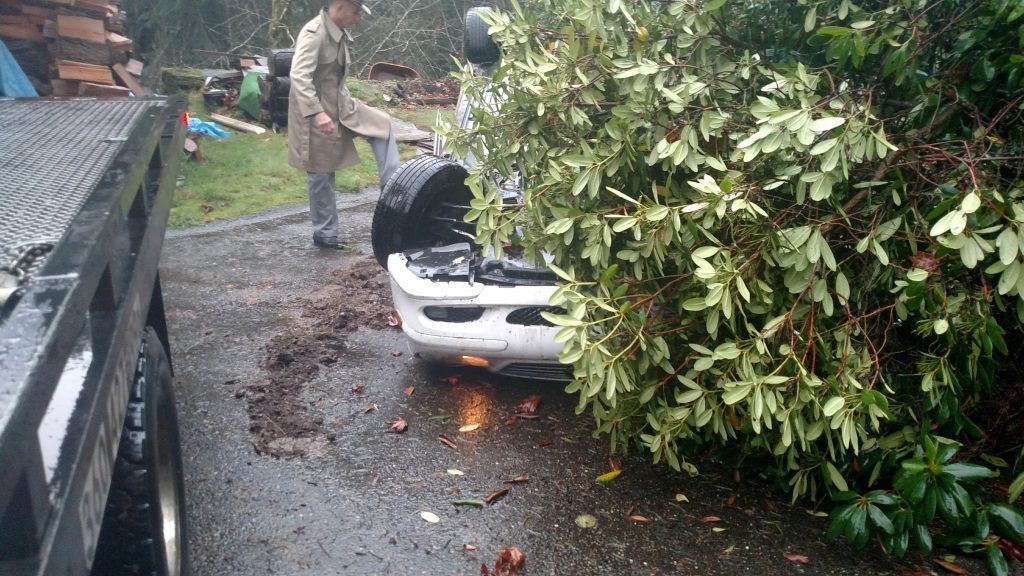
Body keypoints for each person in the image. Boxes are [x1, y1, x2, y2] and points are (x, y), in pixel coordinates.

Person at [288, 0, 399, 250]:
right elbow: (298, 76)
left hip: (343, 105)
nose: (358, 16)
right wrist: (317, 113)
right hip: (316, 111)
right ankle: (325, 235)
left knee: (383, 127)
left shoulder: (338, 32)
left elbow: (335, 78)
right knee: (320, 170)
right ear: (339, 6)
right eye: (356, 10)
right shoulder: (314, 33)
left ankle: (394, 201)